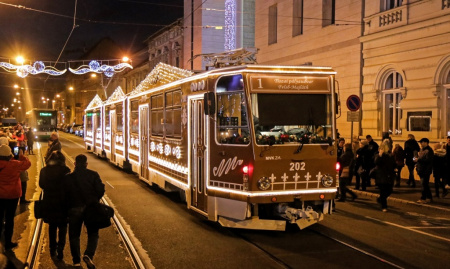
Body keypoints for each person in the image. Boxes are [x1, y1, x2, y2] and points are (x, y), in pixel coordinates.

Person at [65, 154, 105, 268]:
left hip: (74, 208)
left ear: (75, 164)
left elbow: (64, 195)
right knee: (93, 233)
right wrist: (94, 199)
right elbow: (101, 190)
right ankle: (89, 254)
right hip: (90, 208)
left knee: (74, 235)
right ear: (86, 164)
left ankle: (76, 261)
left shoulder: (68, 177)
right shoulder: (93, 175)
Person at [39, 151, 71, 260]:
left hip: (49, 202)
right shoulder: (66, 171)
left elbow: (41, 184)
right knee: (63, 227)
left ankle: (52, 249)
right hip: (63, 203)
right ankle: (60, 249)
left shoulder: (44, 170)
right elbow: (69, 186)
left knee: (52, 227)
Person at [0, 145, 31, 249]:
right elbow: (27, 164)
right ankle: (8, 242)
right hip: (12, 195)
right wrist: (22, 156)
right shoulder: (14, 164)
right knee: (9, 218)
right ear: (9, 154)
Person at [374, 140, 396, 212]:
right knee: (383, 191)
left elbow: (393, 164)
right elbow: (376, 163)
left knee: (389, 190)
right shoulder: (379, 155)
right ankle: (384, 206)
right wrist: (380, 155)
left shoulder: (390, 155)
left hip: (389, 175)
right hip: (381, 176)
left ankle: (380, 199)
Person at [415, 138, 434, 204]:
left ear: (426, 143)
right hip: (421, 169)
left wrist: (418, 160)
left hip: (426, 170)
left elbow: (428, 160)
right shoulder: (421, 149)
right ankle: (429, 197)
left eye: (422, 142)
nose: (420, 144)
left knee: (424, 184)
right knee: (425, 184)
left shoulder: (429, 150)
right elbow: (420, 158)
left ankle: (423, 198)